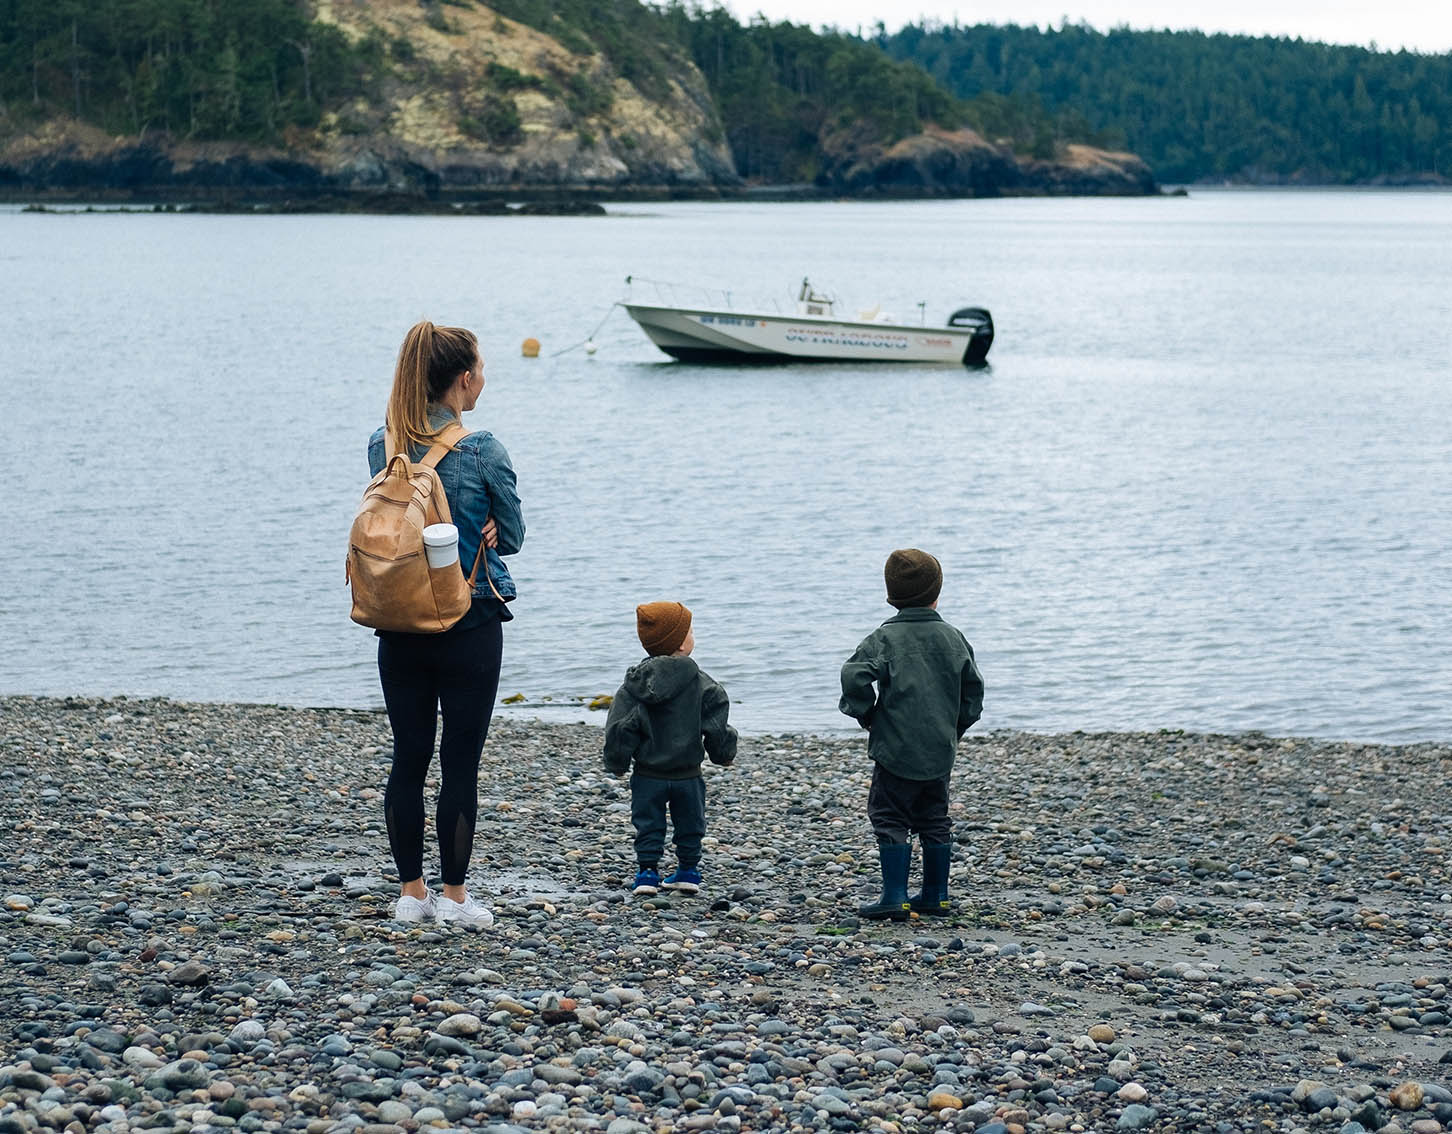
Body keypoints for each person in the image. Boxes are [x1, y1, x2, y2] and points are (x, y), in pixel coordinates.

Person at [368, 320, 524, 927]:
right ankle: (455, 898)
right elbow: (510, 537)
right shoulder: (485, 450)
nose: (484, 379)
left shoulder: (382, 445)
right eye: (481, 369)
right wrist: (484, 527)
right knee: (461, 761)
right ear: (463, 378)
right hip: (471, 619)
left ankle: (410, 893)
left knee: (408, 756)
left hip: (400, 622)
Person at [840, 549, 984, 921]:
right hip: (939, 748)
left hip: (894, 748)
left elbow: (853, 677)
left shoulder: (884, 639)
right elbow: (973, 693)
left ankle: (895, 896)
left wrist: (867, 715)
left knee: (889, 815)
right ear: (937, 593)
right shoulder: (953, 638)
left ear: (891, 595)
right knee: (935, 818)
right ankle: (936, 894)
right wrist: (955, 729)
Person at [603, 602, 737, 895]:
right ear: (679, 642)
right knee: (691, 823)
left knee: (647, 822)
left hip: (648, 773)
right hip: (688, 773)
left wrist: (616, 762)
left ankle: (647, 873)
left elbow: (619, 726)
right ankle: (688, 870)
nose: (693, 634)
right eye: (689, 630)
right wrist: (723, 753)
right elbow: (716, 724)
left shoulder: (634, 686)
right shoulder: (703, 684)